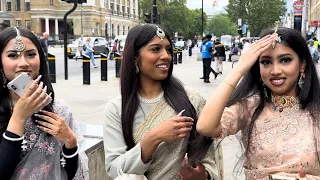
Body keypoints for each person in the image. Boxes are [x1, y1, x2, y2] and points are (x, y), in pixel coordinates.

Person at [197, 27, 320, 179]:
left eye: (285, 60)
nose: (275, 70)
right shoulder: (249, 108)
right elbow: (205, 126)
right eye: (266, 62)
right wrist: (240, 69)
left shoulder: (317, 111)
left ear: (302, 64)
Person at [103, 24, 223, 180]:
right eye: (155, 49)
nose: (166, 56)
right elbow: (114, 169)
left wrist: (203, 174)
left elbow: (209, 158)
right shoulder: (116, 108)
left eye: (168, 49)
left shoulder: (192, 100)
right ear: (135, 57)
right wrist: (154, 137)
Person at [0, 27, 88, 179]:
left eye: (31, 54)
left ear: (40, 59)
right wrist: (18, 119)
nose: (24, 63)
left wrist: (71, 143)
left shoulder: (58, 110)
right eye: (13, 55)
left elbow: (72, 173)